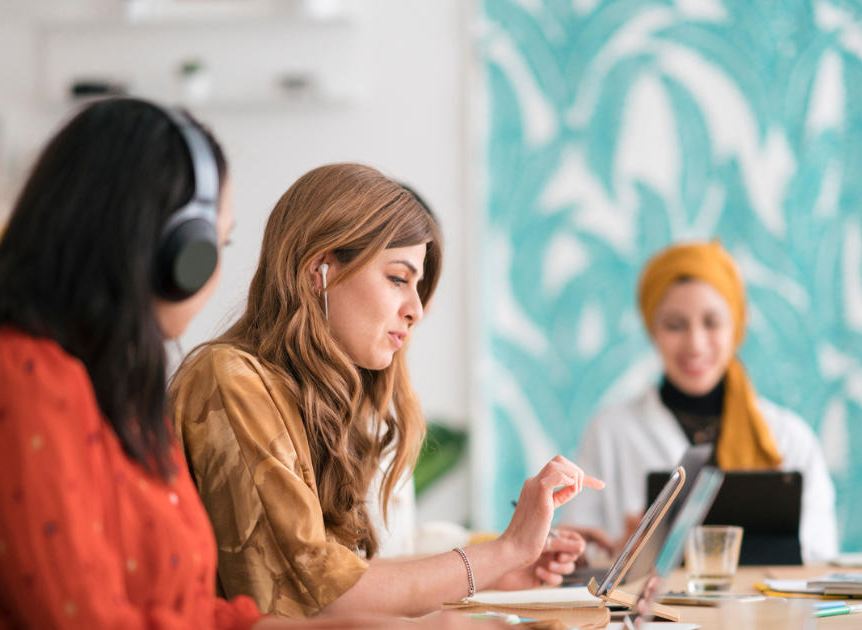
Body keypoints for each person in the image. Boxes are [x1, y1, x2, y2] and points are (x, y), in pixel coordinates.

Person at [0, 99, 497, 630]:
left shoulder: (107, 396)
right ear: (168, 249)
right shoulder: (14, 379)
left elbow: (184, 609)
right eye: (212, 242)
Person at [169, 163, 603, 619]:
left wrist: (503, 569)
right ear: (320, 268)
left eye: (418, 287)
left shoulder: (317, 399)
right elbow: (317, 595)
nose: (415, 309)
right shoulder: (230, 378)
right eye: (399, 278)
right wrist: (505, 551)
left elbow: (343, 572)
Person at [559, 241, 838, 563]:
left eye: (712, 322)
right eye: (675, 325)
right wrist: (623, 551)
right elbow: (578, 552)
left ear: (736, 326)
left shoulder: (789, 436)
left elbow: (818, 554)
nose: (695, 343)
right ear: (653, 330)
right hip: (649, 612)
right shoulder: (609, 431)